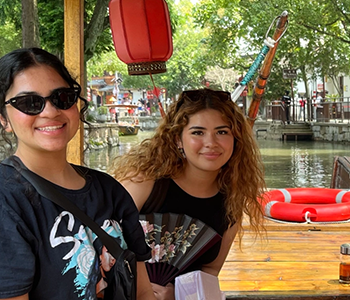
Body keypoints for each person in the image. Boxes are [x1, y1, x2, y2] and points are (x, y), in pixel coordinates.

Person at [0, 48, 156, 299]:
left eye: (62, 97)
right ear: (3, 118)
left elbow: (143, 292)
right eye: (29, 103)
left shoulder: (109, 191)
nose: (49, 111)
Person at [110, 88, 267, 299]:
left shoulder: (232, 201)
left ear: (236, 138)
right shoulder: (145, 182)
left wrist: (176, 294)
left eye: (222, 132)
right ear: (177, 139)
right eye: (197, 132)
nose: (211, 142)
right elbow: (100, 242)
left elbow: (210, 271)